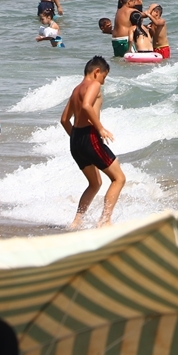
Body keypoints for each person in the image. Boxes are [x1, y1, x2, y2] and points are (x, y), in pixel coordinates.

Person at [61, 56, 125, 229]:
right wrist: (100, 129)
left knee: (95, 183)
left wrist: (77, 141)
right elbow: (87, 106)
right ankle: (104, 220)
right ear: (97, 72)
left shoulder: (76, 90)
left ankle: (76, 222)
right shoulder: (93, 85)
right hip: (89, 136)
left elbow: (64, 120)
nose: (103, 83)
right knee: (118, 178)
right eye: (104, 77)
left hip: (76, 140)